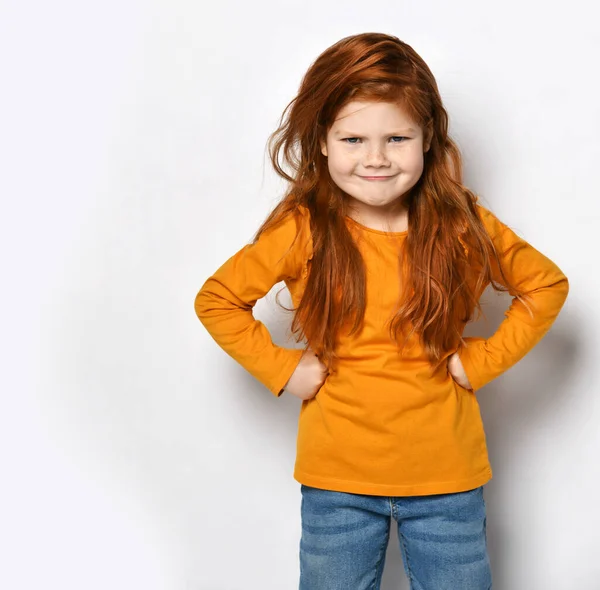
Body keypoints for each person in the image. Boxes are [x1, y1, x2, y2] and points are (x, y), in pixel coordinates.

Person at [193, 32, 569, 590]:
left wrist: (481, 361)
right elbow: (217, 300)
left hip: (449, 479)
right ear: (321, 140)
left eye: (396, 137)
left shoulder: (461, 224)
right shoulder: (304, 228)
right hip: (336, 482)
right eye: (353, 138)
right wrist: (285, 369)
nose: (375, 158)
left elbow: (545, 285)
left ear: (427, 139)